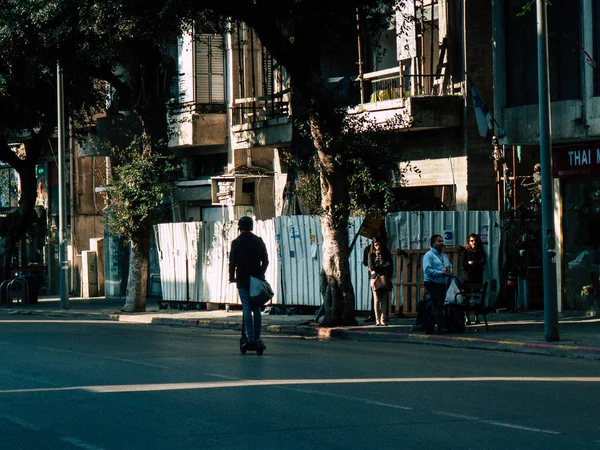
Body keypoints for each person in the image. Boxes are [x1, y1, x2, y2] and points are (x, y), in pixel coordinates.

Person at [229, 216, 269, 352]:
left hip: (242, 280)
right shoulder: (258, 241)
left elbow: (232, 263)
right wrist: (260, 274)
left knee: (246, 308)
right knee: (256, 308)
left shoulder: (236, 242)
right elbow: (266, 261)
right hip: (256, 280)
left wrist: (231, 277)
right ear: (251, 226)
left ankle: (250, 337)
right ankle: (257, 338)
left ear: (239, 227)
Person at [422, 234, 452, 332]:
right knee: (438, 304)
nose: (442, 243)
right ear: (433, 243)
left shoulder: (443, 255)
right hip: (432, 283)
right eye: (439, 241)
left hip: (442, 283)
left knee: (438, 305)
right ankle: (440, 326)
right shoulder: (429, 255)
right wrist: (440, 273)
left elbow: (449, 265)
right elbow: (427, 270)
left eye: (442, 241)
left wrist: (448, 270)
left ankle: (430, 327)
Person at [368, 236, 393, 326]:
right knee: (376, 300)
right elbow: (371, 267)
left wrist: (379, 267)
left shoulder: (386, 253)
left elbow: (389, 265)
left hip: (384, 278)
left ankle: (382, 319)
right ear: (373, 245)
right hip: (375, 278)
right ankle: (377, 320)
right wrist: (382, 266)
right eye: (375, 245)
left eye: (378, 244)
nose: (377, 246)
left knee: (384, 300)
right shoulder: (371, 254)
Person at [462, 233, 486, 324]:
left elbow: (483, 262)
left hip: (477, 277)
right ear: (469, 242)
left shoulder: (481, 251)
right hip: (467, 277)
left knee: (476, 297)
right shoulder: (466, 252)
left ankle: (476, 317)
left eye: (475, 240)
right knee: (466, 297)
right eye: (472, 241)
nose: (474, 242)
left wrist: (473, 263)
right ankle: (467, 317)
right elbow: (464, 264)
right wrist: (470, 264)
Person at [363, 241, 376, 322]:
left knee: (383, 295)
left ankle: (384, 315)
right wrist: (372, 262)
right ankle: (373, 315)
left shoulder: (383, 248)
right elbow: (365, 262)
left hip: (381, 274)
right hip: (373, 274)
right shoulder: (368, 249)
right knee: (374, 295)